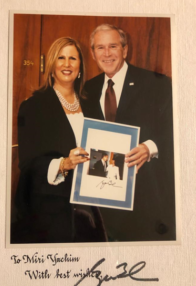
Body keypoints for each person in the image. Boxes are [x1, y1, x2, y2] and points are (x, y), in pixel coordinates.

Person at [82, 24, 176, 241]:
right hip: (102, 197)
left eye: (113, 46)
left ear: (125, 50)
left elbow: (177, 129)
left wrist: (150, 148)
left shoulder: (156, 83)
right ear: (93, 53)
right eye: (100, 48)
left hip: (146, 197)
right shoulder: (89, 89)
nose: (107, 54)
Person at [12, 37, 107, 244]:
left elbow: (103, 150)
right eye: (61, 58)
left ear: (80, 66)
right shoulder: (32, 106)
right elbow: (27, 165)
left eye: (72, 58)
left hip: (90, 208)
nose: (66, 64)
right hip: (49, 212)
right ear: (52, 65)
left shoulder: (92, 104)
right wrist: (64, 164)